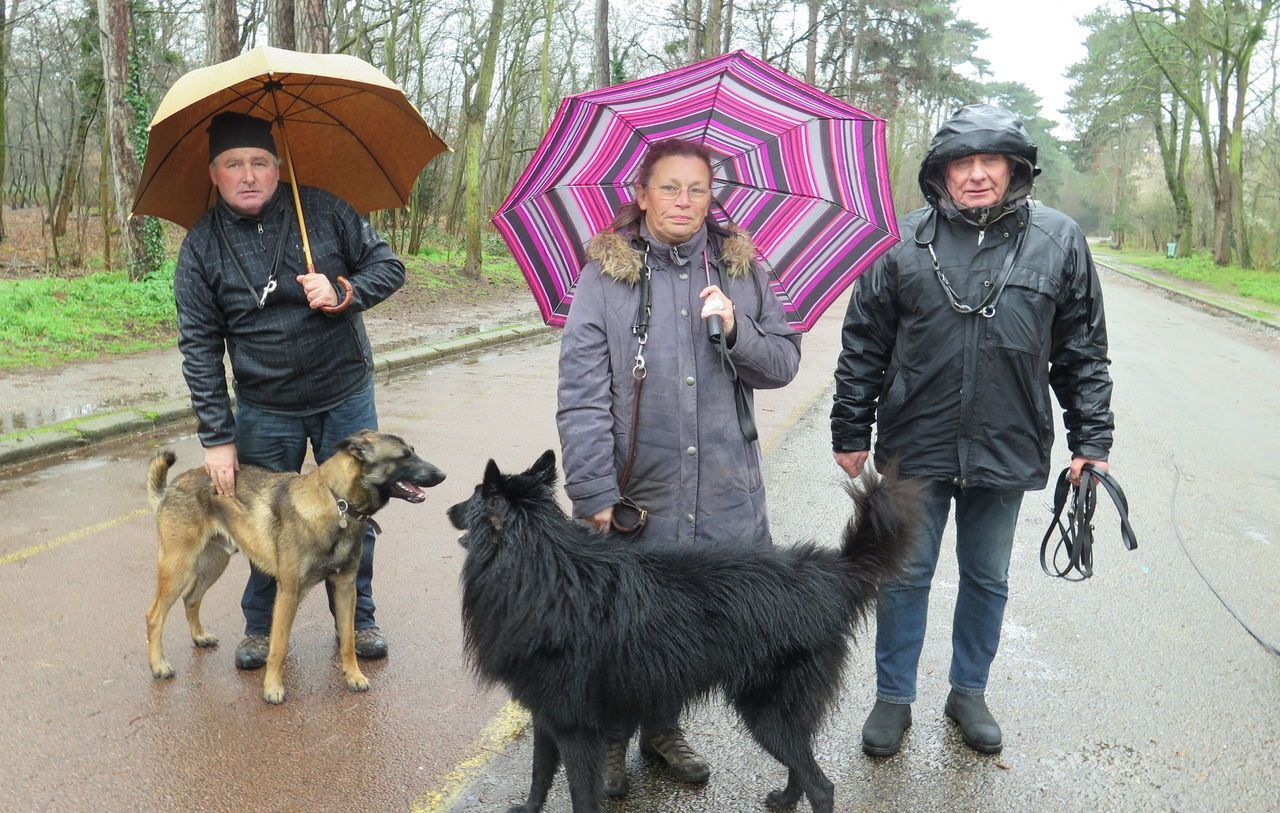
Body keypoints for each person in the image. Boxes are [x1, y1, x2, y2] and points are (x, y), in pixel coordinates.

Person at [830, 104, 1115, 757]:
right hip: (913, 444)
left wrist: (1090, 441)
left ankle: (968, 691)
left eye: (993, 161)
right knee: (902, 575)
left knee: (986, 576)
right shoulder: (901, 242)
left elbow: (1082, 350)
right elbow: (863, 345)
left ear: (1016, 169)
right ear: (942, 170)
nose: (978, 174)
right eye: (964, 161)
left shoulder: (1060, 239)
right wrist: (851, 427)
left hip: (1007, 440)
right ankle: (892, 697)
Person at [557, 138, 802, 795]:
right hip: (641, 493)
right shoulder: (604, 278)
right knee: (622, 624)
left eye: (698, 188)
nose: (684, 201)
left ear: (711, 197)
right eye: (670, 187)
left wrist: (738, 330)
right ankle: (612, 735)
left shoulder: (741, 268)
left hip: (725, 487)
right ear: (642, 195)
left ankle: (662, 728)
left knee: (689, 626)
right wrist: (593, 490)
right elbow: (581, 393)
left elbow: (782, 362)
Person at [173, 111, 406, 670]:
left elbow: (389, 265)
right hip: (263, 406)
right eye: (234, 164)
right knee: (267, 521)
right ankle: (259, 626)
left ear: (277, 168)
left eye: (259, 162)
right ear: (215, 174)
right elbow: (200, 347)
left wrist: (343, 287)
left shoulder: (322, 211)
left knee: (352, 510)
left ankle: (360, 614)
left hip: (342, 392)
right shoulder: (201, 247)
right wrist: (217, 436)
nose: (247, 175)